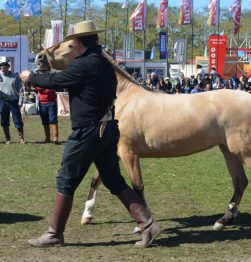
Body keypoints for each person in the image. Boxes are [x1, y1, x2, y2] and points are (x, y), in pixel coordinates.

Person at [20, 20, 162, 248]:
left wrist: (31, 77)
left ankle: (54, 233)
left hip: (87, 132)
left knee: (66, 179)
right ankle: (148, 225)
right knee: (114, 181)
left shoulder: (84, 64)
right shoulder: (104, 64)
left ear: (76, 43)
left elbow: (55, 81)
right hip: (107, 130)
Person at [0, 62, 25, 144]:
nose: (3, 69)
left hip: (14, 101)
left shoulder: (15, 77)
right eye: (1, 68)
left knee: (17, 120)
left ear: (8, 68)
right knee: (4, 121)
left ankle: (21, 139)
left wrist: (21, 100)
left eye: (4, 68)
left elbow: (20, 89)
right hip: (3, 102)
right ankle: (8, 139)